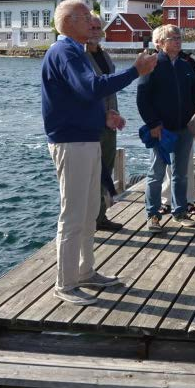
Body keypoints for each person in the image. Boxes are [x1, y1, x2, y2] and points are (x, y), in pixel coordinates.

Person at [41, 0, 157, 306]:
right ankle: (65, 284)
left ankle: (85, 271)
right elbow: (92, 87)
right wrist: (136, 70)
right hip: (72, 142)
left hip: (85, 138)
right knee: (73, 214)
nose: (92, 21)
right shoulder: (65, 51)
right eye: (85, 17)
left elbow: (78, 96)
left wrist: (103, 117)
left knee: (89, 211)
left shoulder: (72, 52)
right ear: (70, 21)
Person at [137, 25, 195, 233]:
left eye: (178, 37)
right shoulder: (152, 65)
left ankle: (180, 211)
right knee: (156, 173)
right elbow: (142, 98)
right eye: (172, 38)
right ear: (159, 43)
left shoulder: (186, 65)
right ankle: (153, 215)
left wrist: (194, 121)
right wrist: (153, 123)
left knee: (181, 173)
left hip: (184, 128)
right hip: (161, 129)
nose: (177, 40)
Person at [85, 14, 124, 231]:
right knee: (90, 174)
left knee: (105, 171)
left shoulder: (103, 55)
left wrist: (115, 113)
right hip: (91, 125)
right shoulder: (79, 57)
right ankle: (90, 220)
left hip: (110, 122)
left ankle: (100, 217)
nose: (95, 32)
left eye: (98, 28)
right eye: (91, 27)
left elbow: (110, 88)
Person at [160, 49, 195, 216]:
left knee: (184, 164)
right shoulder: (154, 62)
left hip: (186, 123)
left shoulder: (188, 62)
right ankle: (165, 201)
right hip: (163, 124)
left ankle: (187, 201)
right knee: (164, 165)